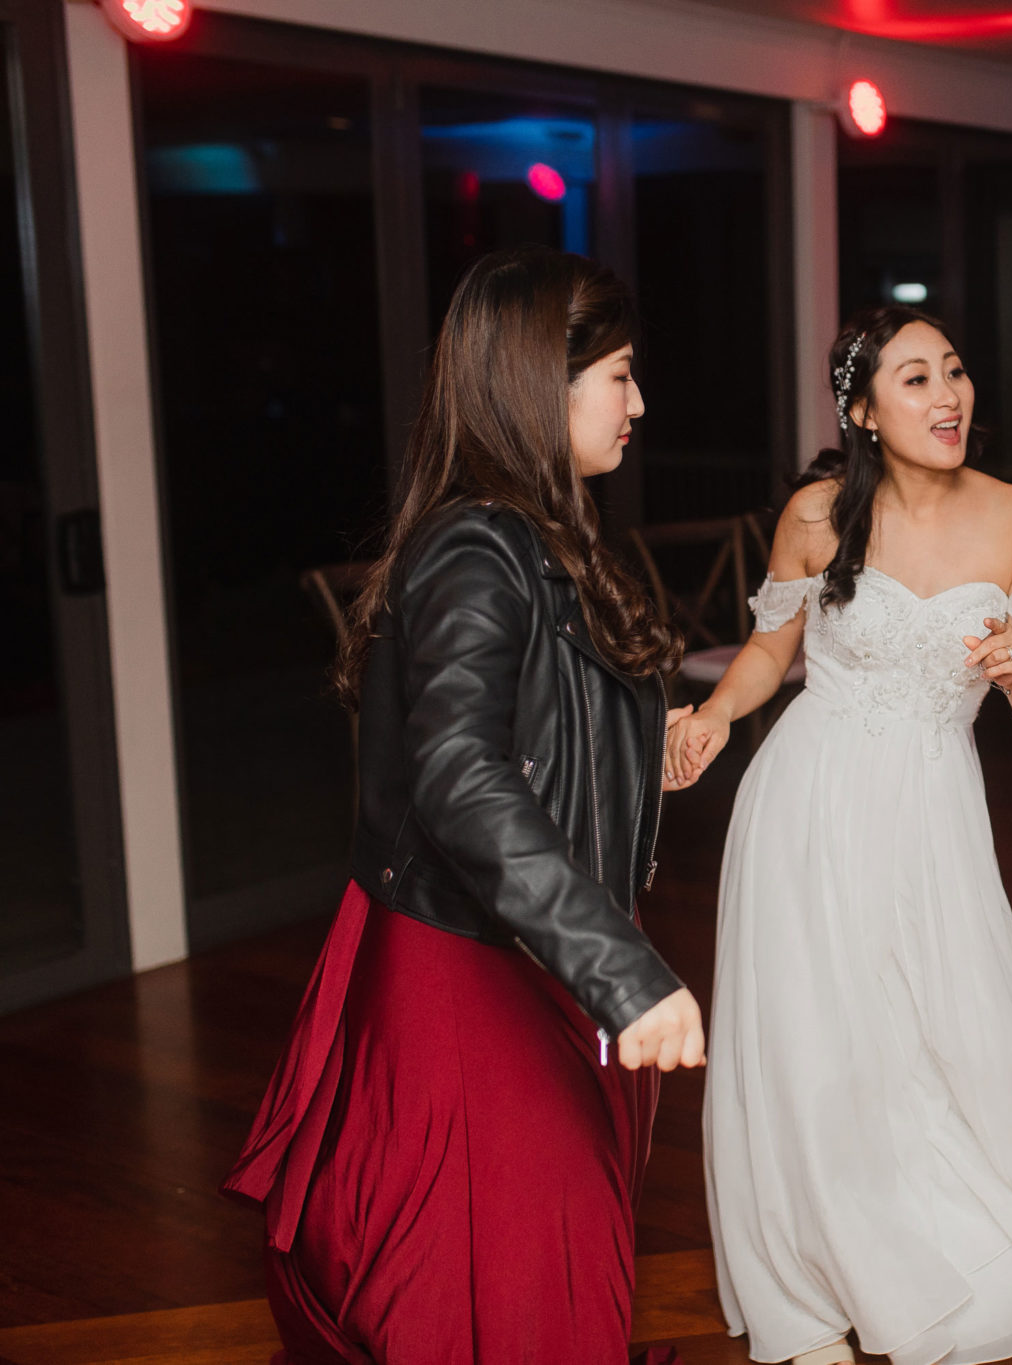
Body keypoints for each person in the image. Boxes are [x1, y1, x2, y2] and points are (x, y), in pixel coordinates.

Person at [668, 306, 1012, 1365]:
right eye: (914, 379)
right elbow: (769, 652)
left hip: (931, 812)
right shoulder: (818, 515)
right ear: (863, 411)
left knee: (953, 1028)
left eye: (954, 372)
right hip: (806, 804)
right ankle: (815, 1275)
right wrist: (712, 716)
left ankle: (944, 1238)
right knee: (813, 1042)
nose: (947, 395)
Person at [223, 247, 706, 1363]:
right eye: (619, 374)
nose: (637, 401)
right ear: (543, 378)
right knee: (496, 1269)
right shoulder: (478, 548)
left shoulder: (543, 535)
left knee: (550, 1251)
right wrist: (624, 973)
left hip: (535, 944)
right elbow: (460, 773)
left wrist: (641, 757)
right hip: (470, 968)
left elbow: (535, 735)